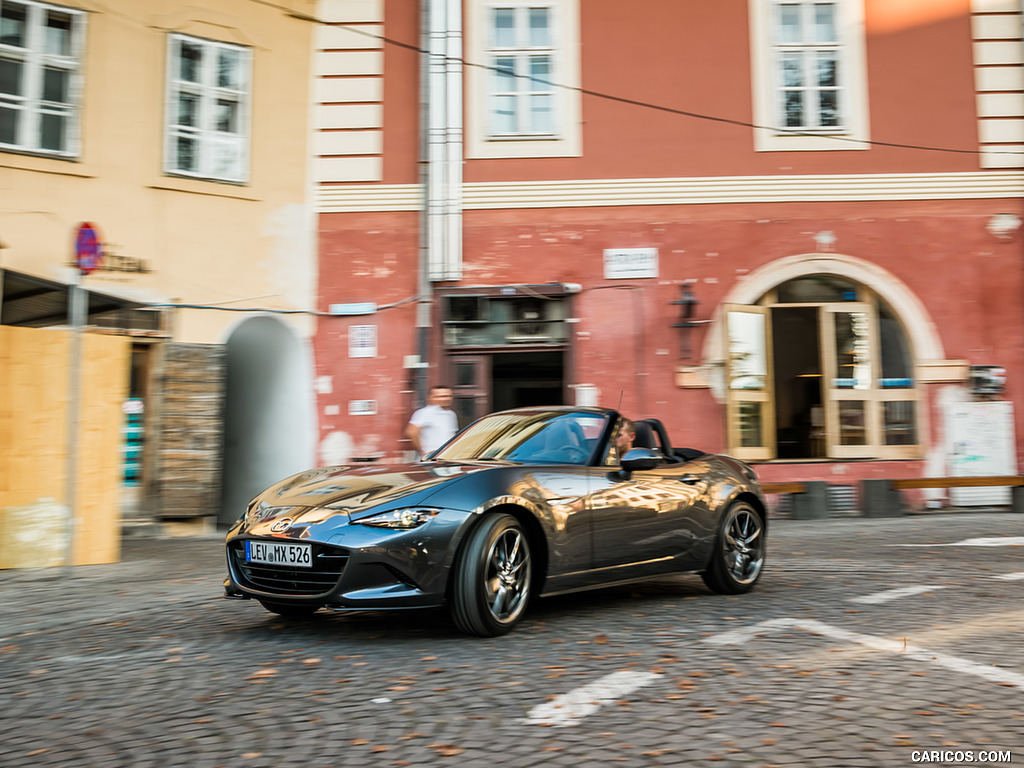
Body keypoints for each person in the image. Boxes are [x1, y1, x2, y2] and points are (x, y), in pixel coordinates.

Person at [405, 385, 459, 458]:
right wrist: (423, 452)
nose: (446, 399)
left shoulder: (451, 414)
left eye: (449, 396)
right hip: (431, 459)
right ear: (431, 398)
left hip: (448, 458)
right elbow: (411, 432)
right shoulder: (425, 412)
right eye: (441, 396)